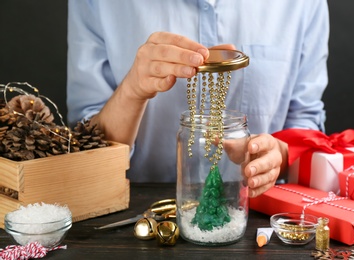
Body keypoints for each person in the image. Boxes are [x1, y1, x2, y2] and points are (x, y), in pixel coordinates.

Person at [66, 0, 329, 198]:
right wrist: (132, 90)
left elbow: (305, 123)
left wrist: (277, 157)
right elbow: (84, 145)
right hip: (131, 208)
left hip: (252, 209)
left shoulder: (303, 5)